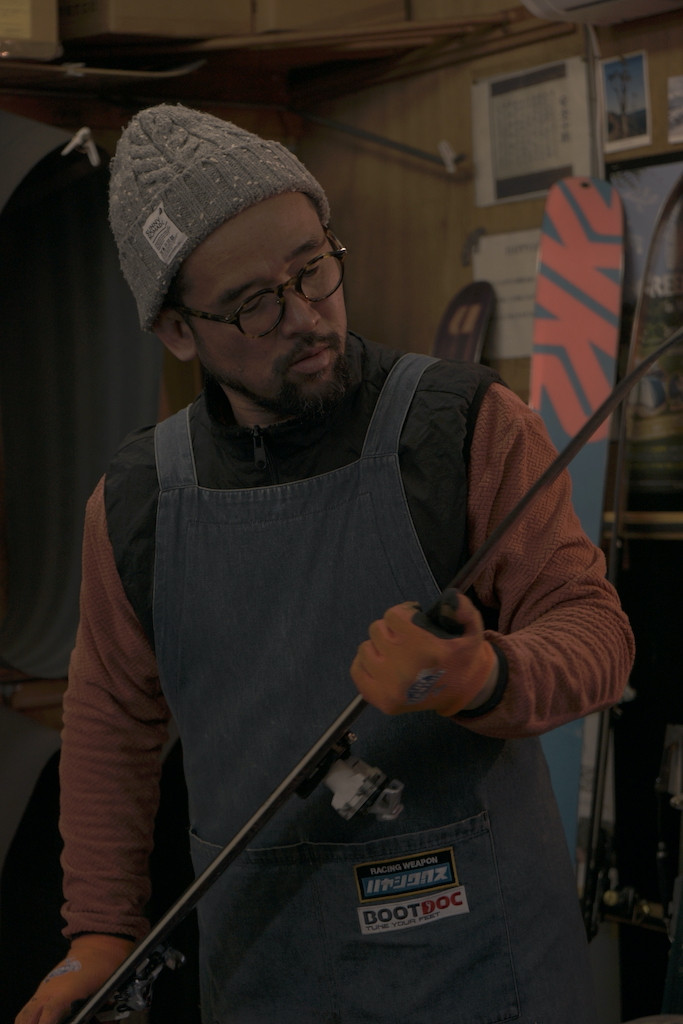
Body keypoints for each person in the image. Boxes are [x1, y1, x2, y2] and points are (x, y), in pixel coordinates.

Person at [16, 103, 635, 1024]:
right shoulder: (138, 502)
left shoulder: (463, 429)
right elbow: (112, 720)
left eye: (312, 267)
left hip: (481, 968)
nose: (306, 317)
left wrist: (486, 674)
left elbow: (596, 632)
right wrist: (101, 931)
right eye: (255, 304)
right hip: (266, 973)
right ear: (178, 331)